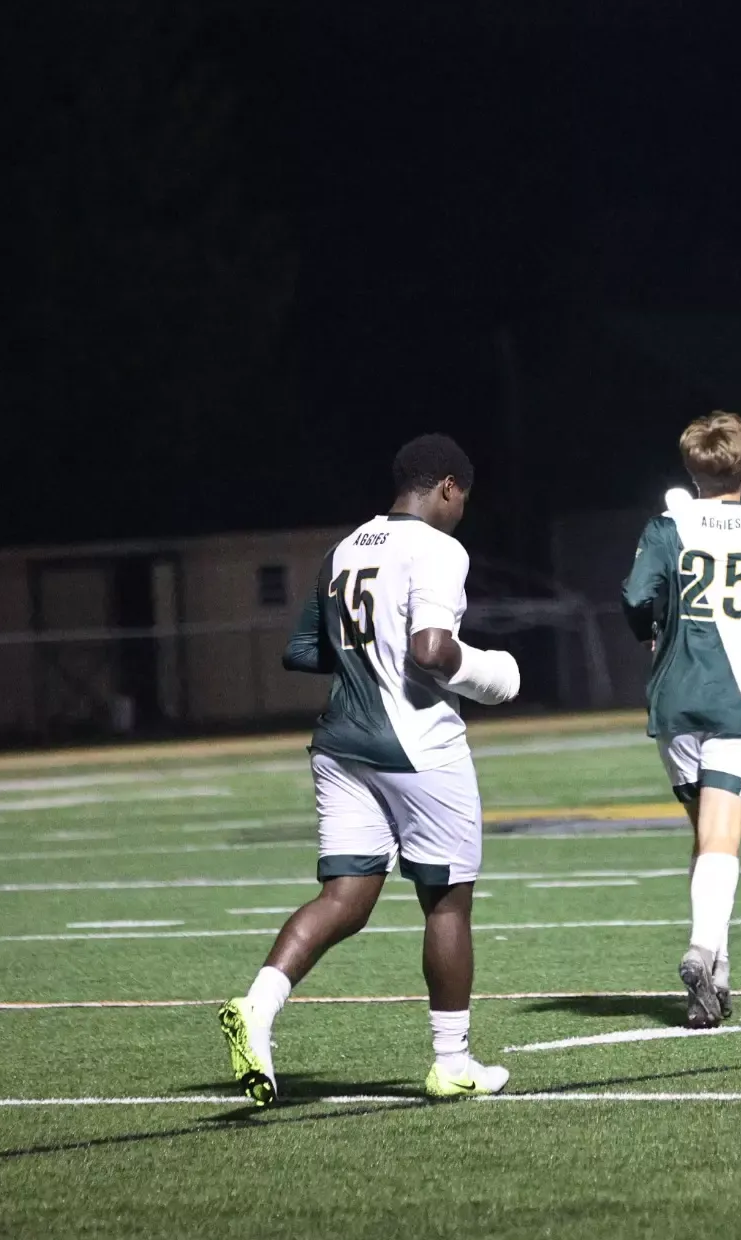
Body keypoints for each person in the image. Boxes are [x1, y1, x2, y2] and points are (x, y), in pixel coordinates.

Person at [219, 434, 522, 1105]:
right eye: (463, 498)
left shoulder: (345, 547)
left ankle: (258, 1009)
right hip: (416, 743)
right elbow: (433, 649)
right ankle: (453, 1059)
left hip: (341, 741)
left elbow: (305, 651)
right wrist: (496, 673)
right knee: (447, 899)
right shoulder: (439, 547)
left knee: (345, 900)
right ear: (448, 486)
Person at [622, 412, 741, 1029]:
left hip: (674, 700)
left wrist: (656, 629)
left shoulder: (665, 527)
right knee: (721, 839)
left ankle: (717, 976)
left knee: (705, 837)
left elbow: (632, 600)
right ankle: (704, 951)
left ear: (691, 469)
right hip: (736, 702)